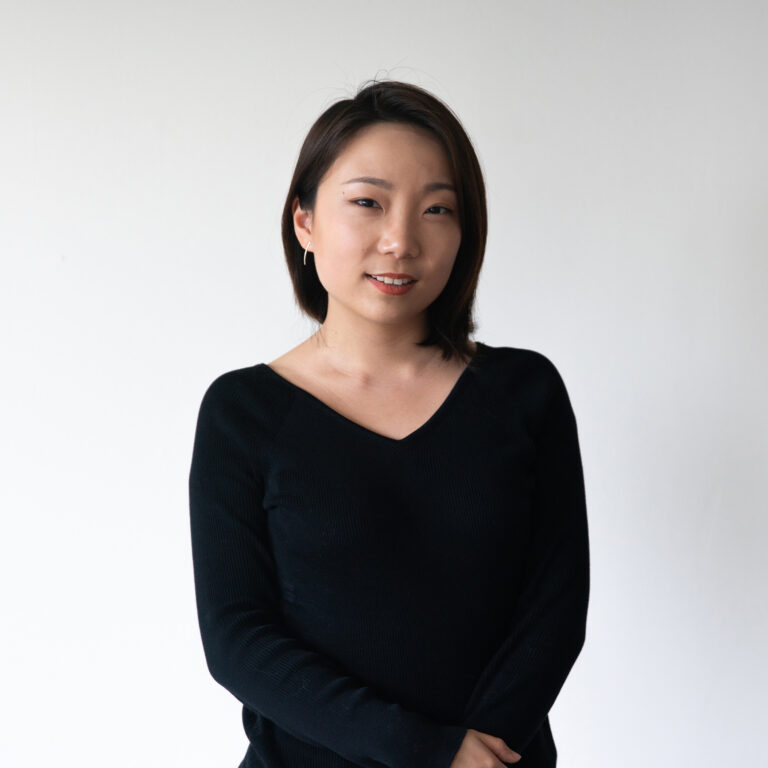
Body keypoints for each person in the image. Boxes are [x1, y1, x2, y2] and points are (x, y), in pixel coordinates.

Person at [188, 79, 590, 768]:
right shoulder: (243, 413)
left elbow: (555, 607)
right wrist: (428, 752)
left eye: (437, 209)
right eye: (368, 203)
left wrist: (477, 756)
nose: (401, 240)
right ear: (305, 222)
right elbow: (238, 640)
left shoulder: (525, 393)